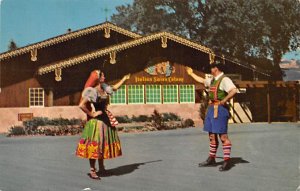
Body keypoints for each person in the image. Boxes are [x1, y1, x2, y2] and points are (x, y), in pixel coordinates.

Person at [76, 70, 130, 179]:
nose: (105, 77)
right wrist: (92, 113)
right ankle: (92, 170)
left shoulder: (104, 87)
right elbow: (81, 105)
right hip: (97, 122)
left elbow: (114, 88)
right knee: (95, 146)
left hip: (105, 120)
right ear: (98, 78)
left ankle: (101, 168)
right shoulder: (92, 91)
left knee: (102, 144)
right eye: (103, 75)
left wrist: (124, 79)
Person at [186, 60, 237, 171]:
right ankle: (212, 158)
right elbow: (203, 80)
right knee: (211, 136)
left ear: (216, 68)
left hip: (220, 109)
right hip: (211, 109)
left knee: (223, 137)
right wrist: (191, 74)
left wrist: (224, 100)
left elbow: (233, 90)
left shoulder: (225, 79)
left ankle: (227, 161)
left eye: (211, 68)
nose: (210, 70)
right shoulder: (213, 80)